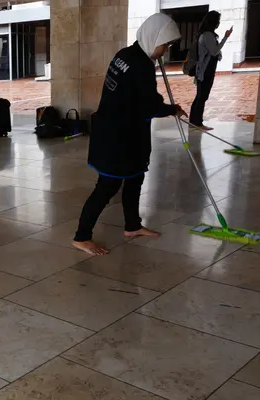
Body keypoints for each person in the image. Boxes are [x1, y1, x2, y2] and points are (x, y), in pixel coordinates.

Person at [72, 13, 187, 256]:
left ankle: (132, 225)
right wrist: (171, 109)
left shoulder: (125, 54)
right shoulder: (140, 65)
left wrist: (159, 104)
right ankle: (82, 237)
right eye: (164, 44)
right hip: (118, 136)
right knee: (107, 185)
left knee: (135, 178)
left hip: (124, 131)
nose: (164, 51)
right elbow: (149, 106)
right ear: (153, 37)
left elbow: (137, 97)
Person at [190, 11, 232, 131]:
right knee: (202, 97)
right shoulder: (208, 35)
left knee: (200, 96)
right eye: (218, 21)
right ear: (214, 22)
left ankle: (194, 121)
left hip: (204, 70)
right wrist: (226, 37)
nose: (218, 23)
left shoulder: (205, 34)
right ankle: (197, 123)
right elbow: (214, 52)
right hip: (205, 71)